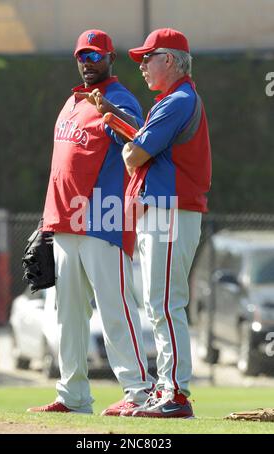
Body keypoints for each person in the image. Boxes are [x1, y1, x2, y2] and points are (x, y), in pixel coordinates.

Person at [27, 29, 154, 416]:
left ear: (110, 59)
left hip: (103, 220)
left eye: (96, 55)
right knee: (67, 316)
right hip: (64, 224)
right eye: (83, 55)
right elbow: (60, 169)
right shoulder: (70, 103)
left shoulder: (120, 99)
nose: (88, 62)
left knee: (115, 310)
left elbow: (140, 142)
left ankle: (139, 393)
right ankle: (73, 396)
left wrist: (108, 113)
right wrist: (46, 223)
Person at [120, 28, 212, 418]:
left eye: (148, 58)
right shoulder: (173, 100)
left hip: (170, 210)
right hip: (162, 210)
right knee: (157, 303)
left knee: (165, 302)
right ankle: (166, 388)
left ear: (170, 59)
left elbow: (135, 155)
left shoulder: (177, 100)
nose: (141, 66)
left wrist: (130, 145)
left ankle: (175, 394)